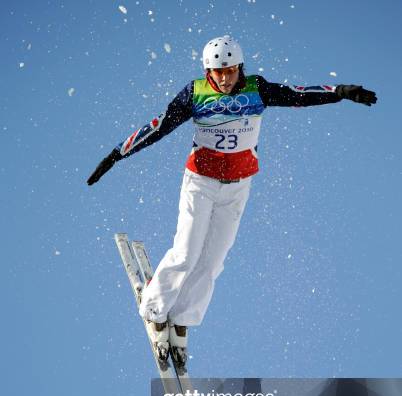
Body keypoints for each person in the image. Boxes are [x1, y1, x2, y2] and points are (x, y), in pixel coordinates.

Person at [87, 35, 377, 367]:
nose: (224, 78)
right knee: (186, 252)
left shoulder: (257, 89)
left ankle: (182, 319)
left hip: (238, 186)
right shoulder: (195, 93)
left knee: (213, 261)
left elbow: (298, 95)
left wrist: (339, 92)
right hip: (200, 182)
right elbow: (158, 127)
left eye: (230, 70)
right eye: (218, 71)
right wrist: (116, 155)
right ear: (207, 70)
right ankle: (155, 308)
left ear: (240, 67)